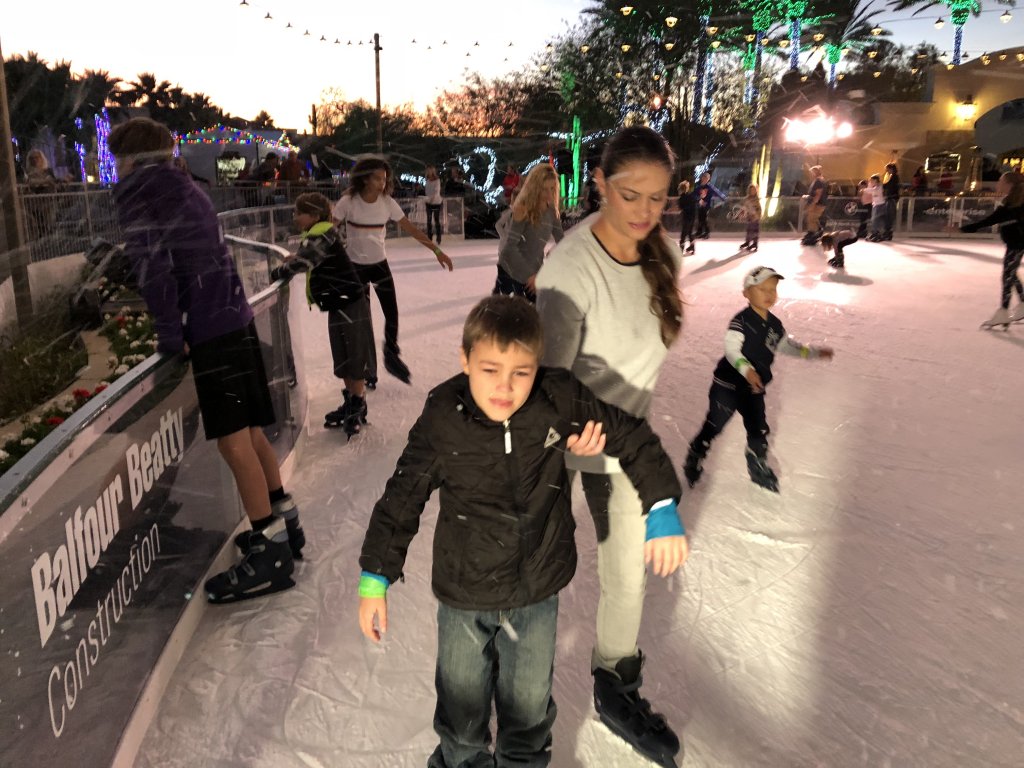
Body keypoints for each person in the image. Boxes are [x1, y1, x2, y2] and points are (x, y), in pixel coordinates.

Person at [357, 295, 687, 768]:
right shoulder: (445, 417)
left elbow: (629, 434)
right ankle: (462, 761)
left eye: (521, 372)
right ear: (465, 360)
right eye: (490, 370)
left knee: (528, 708)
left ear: (538, 365)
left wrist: (660, 504)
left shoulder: (557, 399)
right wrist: (376, 576)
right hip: (465, 591)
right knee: (462, 707)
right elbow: (403, 496)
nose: (505, 387)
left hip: (536, 589)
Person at [535, 126, 690, 766]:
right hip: (561, 435)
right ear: (599, 184)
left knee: (628, 572)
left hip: (627, 443)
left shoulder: (664, 255)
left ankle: (614, 683)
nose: (645, 212)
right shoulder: (570, 269)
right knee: (529, 563)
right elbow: (548, 383)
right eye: (630, 195)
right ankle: (512, 685)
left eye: (658, 197)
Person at [108, 117, 303, 603]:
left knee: (233, 442)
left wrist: (170, 333)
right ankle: (283, 520)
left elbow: (154, 269)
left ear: (130, 159)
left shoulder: (141, 194)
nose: (117, 169)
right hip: (234, 318)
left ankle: (270, 550)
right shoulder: (184, 187)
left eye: (117, 160)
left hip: (211, 328)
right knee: (251, 431)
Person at [683, 266, 834, 493]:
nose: (769, 294)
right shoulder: (741, 321)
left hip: (754, 389)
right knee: (715, 425)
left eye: (773, 289)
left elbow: (787, 346)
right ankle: (696, 453)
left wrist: (812, 353)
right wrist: (746, 370)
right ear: (746, 293)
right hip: (728, 386)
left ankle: (757, 464)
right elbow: (731, 350)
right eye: (762, 289)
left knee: (759, 429)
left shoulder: (775, 325)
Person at [332, 157, 454, 387]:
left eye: (384, 179)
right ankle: (367, 369)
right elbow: (328, 229)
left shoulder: (387, 203)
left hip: (379, 265)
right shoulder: (348, 202)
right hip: (355, 268)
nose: (382, 183)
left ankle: (391, 352)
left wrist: (437, 250)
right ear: (365, 179)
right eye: (377, 178)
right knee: (362, 321)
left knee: (392, 313)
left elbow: (412, 229)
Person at [271, 192, 373, 434]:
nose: (295, 217)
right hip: (338, 303)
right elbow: (308, 257)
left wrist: (279, 272)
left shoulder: (323, 234)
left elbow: (305, 263)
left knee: (354, 355)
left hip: (350, 303)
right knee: (343, 356)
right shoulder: (317, 235)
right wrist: (296, 258)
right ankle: (352, 400)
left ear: (315, 215)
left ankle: (358, 404)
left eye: (300, 213)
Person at [959, 170, 1024, 328]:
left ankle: (1003, 312)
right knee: (1010, 273)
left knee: (1007, 276)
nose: (998, 184)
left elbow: (989, 221)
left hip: (1017, 244)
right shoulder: (1012, 201)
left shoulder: (1013, 204)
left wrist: (961, 229)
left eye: (1001, 181)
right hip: (1016, 243)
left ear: (1009, 184)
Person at [494, 164, 564, 302]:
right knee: (517, 313)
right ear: (535, 188)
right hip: (512, 272)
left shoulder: (551, 211)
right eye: (544, 189)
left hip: (535, 274)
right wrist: (529, 275)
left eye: (552, 188)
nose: (549, 193)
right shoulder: (523, 209)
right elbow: (509, 248)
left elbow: (562, 241)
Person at [694, 170, 725, 239]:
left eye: (706, 178)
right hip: (700, 205)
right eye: (704, 178)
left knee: (704, 219)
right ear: (702, 178)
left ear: (708, 179)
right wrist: (698, 199)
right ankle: (699, 231)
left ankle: (706, 233)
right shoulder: (699, 187)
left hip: (706, 206)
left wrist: (723, 198)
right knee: (700, 218)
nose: (704, 179)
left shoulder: (710, 187)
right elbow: (694, 194)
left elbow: (717, 192)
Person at [801, 165, 828, 245]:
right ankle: (816, 232)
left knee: (811, 219)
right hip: (819, 204)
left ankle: (813, 234)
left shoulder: (818, 181)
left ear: (815, 172)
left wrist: (813, 204)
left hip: (818, 204)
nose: (811, 174)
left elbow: (818, 194)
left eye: (812, 172)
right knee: (813, 219)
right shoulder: (820, 180)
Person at [880, 162, 900, 241]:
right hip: (890, 198)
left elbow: (890, 186)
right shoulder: (892, 176)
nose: (887, 171)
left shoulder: (894, 177)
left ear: (891, 169)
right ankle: (887, 232)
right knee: (887, 216)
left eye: (887, 169)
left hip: (891, 198)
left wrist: (883, 187)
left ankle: (888, 232)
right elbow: (888, 185)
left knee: (889, 216)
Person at [424, 165, 444, 244]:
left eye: (429, 170)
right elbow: (427, 192)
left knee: (436, 220)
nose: (427, 172)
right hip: (428, 203)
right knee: (429, 221)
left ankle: (438, 237)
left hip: (436, 203)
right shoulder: (427, 181)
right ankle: (429, 237)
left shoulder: (437, 180)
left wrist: (432, 198)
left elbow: (436, 191)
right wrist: (427, 199)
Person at [740, 183, 762, 252]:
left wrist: (757, 215)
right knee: (749, 230)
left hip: (755, 217)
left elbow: (758, 209)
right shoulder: (747, 199)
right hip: (749, 217)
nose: (752, 191)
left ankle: (755, 243)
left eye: (753, 190)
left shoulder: (756, 199)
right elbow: (744, 208)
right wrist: (742, 214)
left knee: (755, 230)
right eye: (751, 190)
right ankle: (747, 242)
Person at [677, 179, 697, 254]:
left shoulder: (682, 198)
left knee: (684, 233)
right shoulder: (691, 196)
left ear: (681, 189)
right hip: (692, 216)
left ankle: (681, 248)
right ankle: (692, 247)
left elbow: (681, 207)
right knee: (690, 232)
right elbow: (694, 205)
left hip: (686, 217)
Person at [867, 174, 885, 241]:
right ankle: (874, 233)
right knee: (873, 220)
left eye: (872, 181)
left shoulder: (879, 187)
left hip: (879, 205)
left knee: (876, 220)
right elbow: (870, 191)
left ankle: (877, 234)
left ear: (875, 180)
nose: (871, 182)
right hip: (875, 205)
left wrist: (865, 189)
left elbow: (871, 191)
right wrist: (870, 184)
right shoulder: (875, 187)